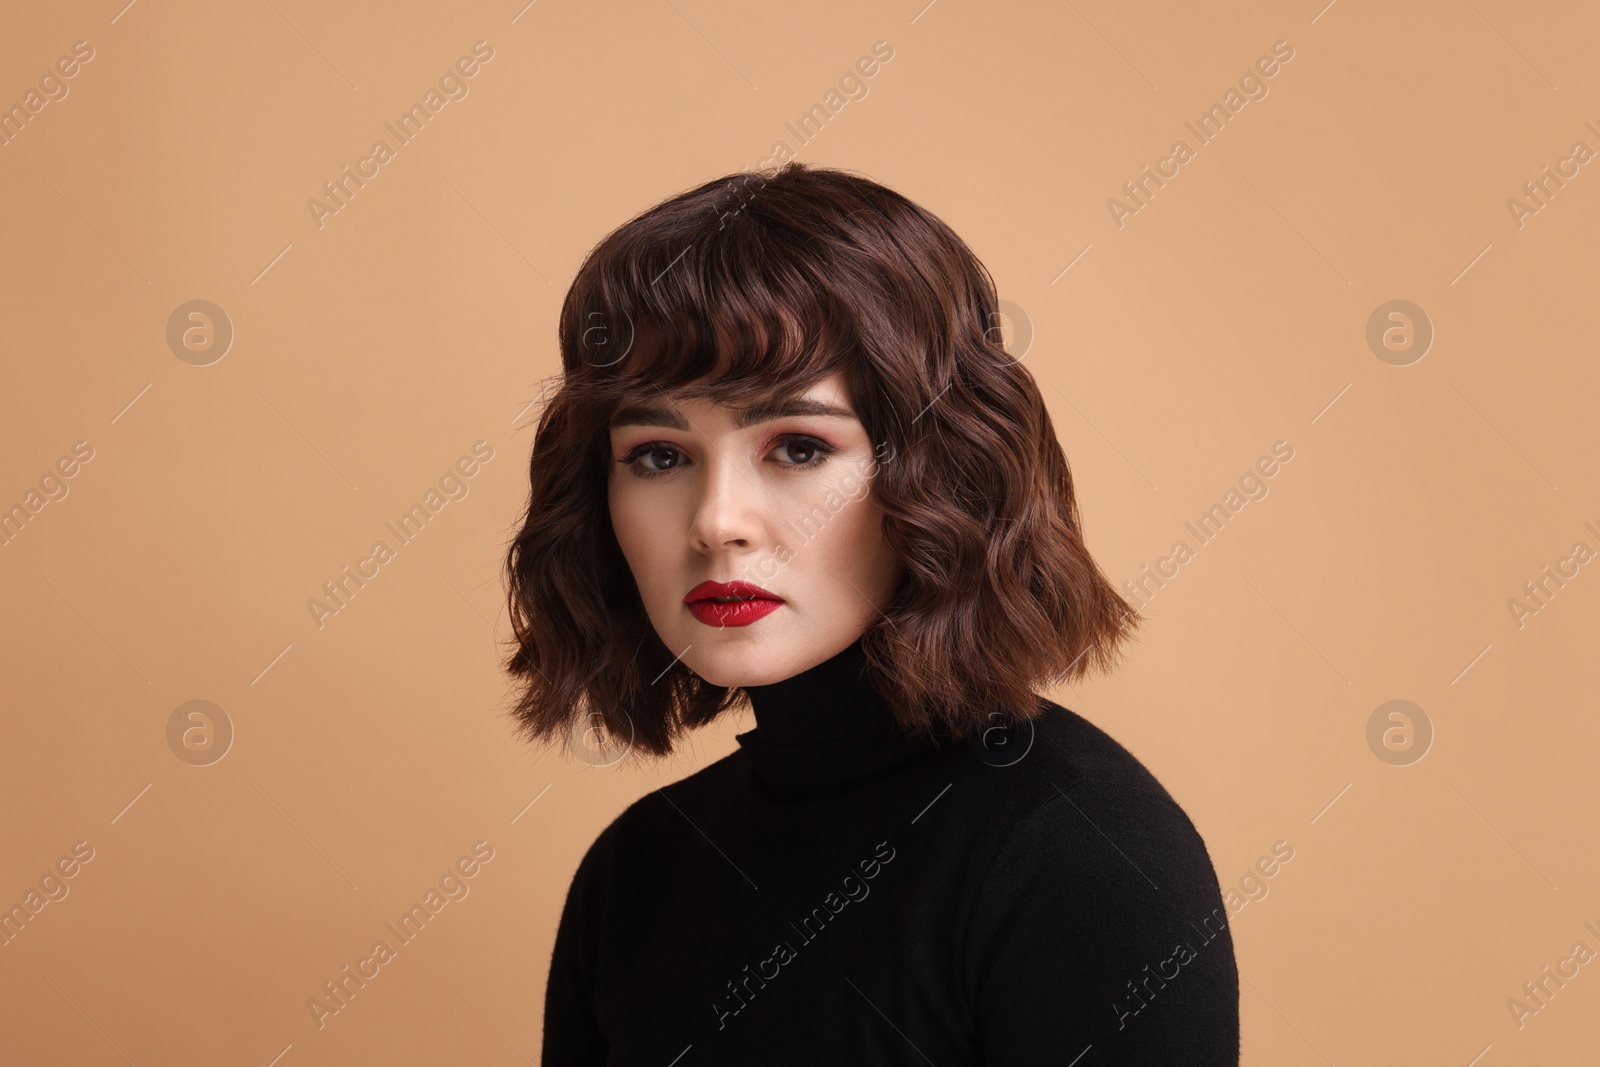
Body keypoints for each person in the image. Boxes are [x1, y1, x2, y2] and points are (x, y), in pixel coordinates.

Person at [502, 161, 1239, 1065]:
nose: (716, 521)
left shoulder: (1084, 859)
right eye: (658, 455)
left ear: (939, 470)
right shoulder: (637, 874)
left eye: (799, 446)